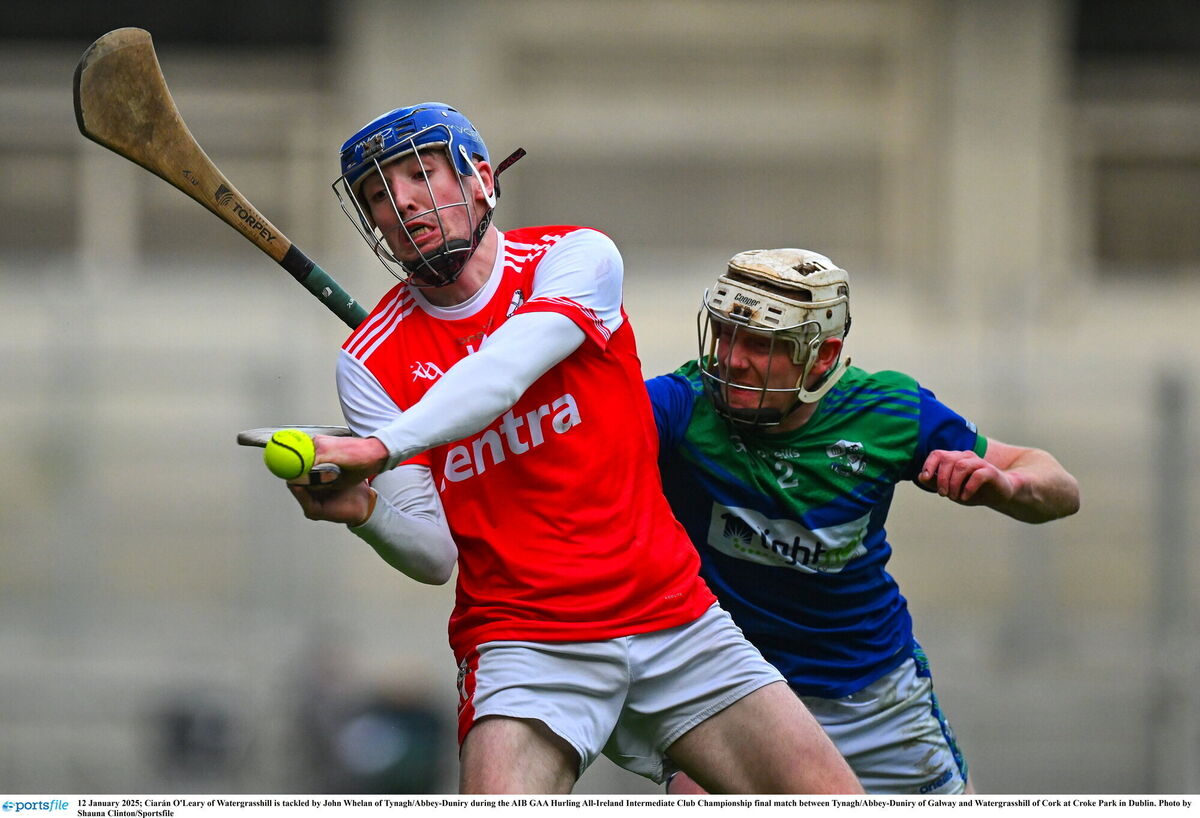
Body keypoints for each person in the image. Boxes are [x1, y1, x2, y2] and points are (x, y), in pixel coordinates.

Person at [283, 104, 863, 795]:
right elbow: (434, 555)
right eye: (379, 194)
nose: (402, 200)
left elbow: (502, 373)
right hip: (524, 644)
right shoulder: (369, 360)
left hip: (670, 614)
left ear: (476, 180)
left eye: (419, 173)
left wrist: (382, 444)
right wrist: (366, 511)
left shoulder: (576, 257)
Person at [647, 248, 1081, 795]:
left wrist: (1008, 485)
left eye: (761, 344)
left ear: (823, 355)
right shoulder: (681, 405)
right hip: (732, 694)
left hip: (873, 695)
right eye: (728, 334)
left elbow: (1061, 489)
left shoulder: (889, 412)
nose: (733, 359)